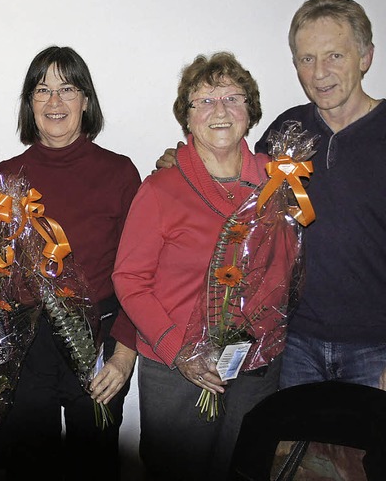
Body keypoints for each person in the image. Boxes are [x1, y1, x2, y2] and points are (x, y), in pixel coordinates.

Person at [156, 0, 386, 392]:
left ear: (365, 56)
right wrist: (183, 162)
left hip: (375, 347)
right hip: (293, 342)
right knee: (287, 452)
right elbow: (234, 175)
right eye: (306, 58)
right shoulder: (288, 128)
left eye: (334, 55)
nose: (319, 72)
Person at [112, 52, 280, 480]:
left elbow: (286, 270)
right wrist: (177, 349)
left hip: (254, 365)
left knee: (244, 469)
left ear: (251, 112)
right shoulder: (161, 189)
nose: (220, 110)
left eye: (232, 98)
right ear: (186, 118)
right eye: (204, 100)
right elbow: (129, 279)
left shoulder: (279, 183)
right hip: (177, 371)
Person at [0, 45, 140, 481]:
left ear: (86, 101)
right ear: (29, 103)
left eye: (67, 89)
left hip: (99, 342)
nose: (54, 102)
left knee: (94, 465)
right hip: (28, 348)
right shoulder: (5, 177)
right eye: (42, 90)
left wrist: (123, 358)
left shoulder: (120, 173)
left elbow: (139, 274)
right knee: (28, 465)